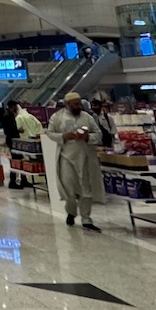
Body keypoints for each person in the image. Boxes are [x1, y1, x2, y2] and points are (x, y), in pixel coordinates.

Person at [46, 93, 102, 231]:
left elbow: (98, 134)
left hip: (85, 157)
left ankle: (86, 219)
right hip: (66, 157)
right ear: (67, 104)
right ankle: (71, 212)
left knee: (85, 189)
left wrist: (87, 137)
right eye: (75, 104)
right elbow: (50, 133)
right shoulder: (57, 117)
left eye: (79, 104)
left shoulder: (87, 117)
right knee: (69, 189)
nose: (78, 106)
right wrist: (63, 136)